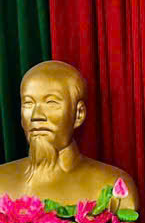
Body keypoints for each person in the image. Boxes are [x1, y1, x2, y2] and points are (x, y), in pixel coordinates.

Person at [0, 60, 137, 207]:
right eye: (28, 103)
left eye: (51, 103)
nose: (36, 116)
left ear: (78, 114)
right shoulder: (2, 180)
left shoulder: (113, 188)